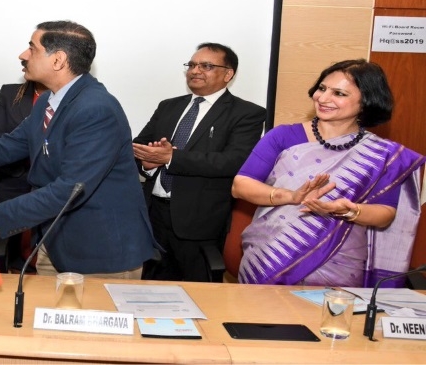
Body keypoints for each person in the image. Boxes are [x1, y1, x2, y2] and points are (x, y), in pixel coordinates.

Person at [0, 21, 155, 279]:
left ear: (58, 60)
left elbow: (70, 189)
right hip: (54, 243)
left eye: (32, 48)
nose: (23, 55)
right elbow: (5, 146)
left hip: (100, 253)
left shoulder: (96, 109)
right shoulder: (48, 102)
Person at [232, 59, 425, 287]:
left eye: (339, 93)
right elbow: (240, 186)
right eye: (322, 88)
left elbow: (385, 214)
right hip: (271, 256)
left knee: (333, 310)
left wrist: (349, 210)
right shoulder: (283, 136)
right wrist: (290, 196)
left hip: (341, 262)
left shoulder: (382, 154)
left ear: (366, 102)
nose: (323, 98)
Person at [133, 43, 266, 282]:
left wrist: (171, 158)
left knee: (197, 294)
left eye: (206, 66)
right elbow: (139, 146)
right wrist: (147, 164)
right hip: (153, 215)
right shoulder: (169, 106)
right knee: (151, 289)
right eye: (192, 65)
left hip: (200, 222)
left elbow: (233, 161)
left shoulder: (247, 113)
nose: (195, 71)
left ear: (228, 74)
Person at [0, 79, 47, 271]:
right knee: (11, 253)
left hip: (52, 183)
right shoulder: (10, 94)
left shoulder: (73, 96)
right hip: (15, 179)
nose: (24, 65)